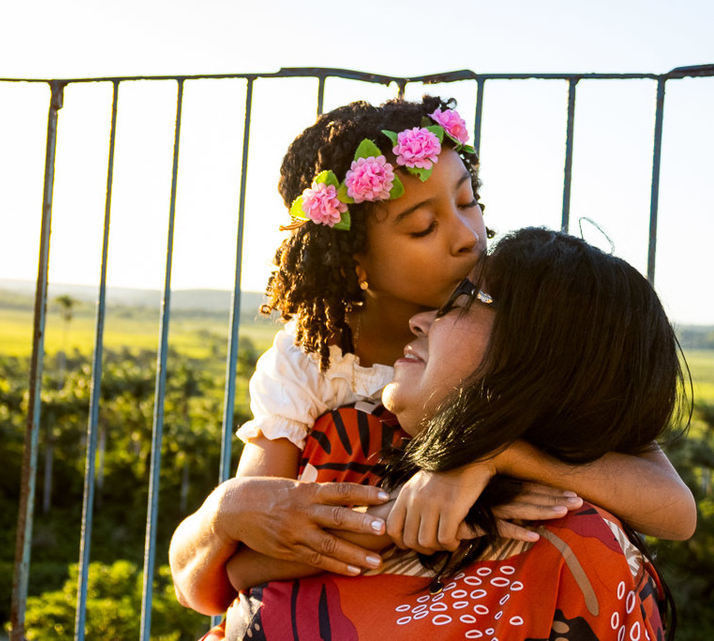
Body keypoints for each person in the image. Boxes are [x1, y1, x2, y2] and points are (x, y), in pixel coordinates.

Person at [169, 97, 695, 616]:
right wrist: (228, 509)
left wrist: (488, 455)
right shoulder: (309, 367)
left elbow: (674, 509)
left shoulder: (512, 326)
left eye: (468, 203)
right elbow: (232, 565)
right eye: (423, 227)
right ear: (353, 261)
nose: (469, 238)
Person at [214, 227, 687, 639]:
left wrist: (490, 454)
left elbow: (678, 511)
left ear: (542, 352)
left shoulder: (574, 552)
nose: (418, 319)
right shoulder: (349, 433)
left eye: (458, 302)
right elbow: (231, 575)